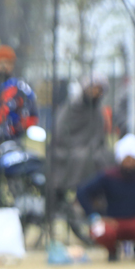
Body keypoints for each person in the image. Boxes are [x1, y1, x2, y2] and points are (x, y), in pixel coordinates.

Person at [76, 134, 135, 261]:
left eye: (133, 159)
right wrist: (94, 216)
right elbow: (82, 192)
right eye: (126, 158)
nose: (129, 162)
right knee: (99, 230)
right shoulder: (108, 176)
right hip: (114, 222)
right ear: (120, 158)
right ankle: (112, 251)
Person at [50, 74, 112, 204]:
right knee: (82, 158)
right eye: (93, 88)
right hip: (68, 147)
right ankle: (75, 195)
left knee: (107, 157)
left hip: (93, 148)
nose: (95, 92)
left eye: (99, 89)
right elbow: (60, 131)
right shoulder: (71, 107)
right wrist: (78, 144)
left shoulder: (97, 111)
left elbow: (100, 134)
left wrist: (94, 145)